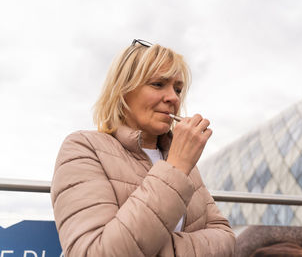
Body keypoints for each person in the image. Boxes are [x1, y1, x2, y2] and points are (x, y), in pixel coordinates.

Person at [50, 39, 235, 257]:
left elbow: (226, 239)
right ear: (123, 90)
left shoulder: (184, 162)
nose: (173, 98)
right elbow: (94, 252)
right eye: (158, 84)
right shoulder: (83, 148)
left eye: (178, 89)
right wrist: (175, 167)